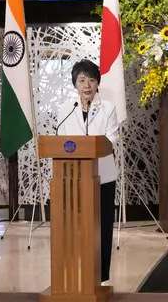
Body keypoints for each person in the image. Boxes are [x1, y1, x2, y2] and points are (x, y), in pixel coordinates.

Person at [56, 59, 119, 284]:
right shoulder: (66, 108)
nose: (87, 85)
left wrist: (92, 147)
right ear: (75, 83)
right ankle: (76, 271)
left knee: (101, 227)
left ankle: (101, 276)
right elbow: (61, 140)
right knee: (76, 225)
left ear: (97, 83)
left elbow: (112, 138)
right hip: (74, 177)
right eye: (82, 80)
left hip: (103, 175)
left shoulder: (108, 107)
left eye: (91, 80)